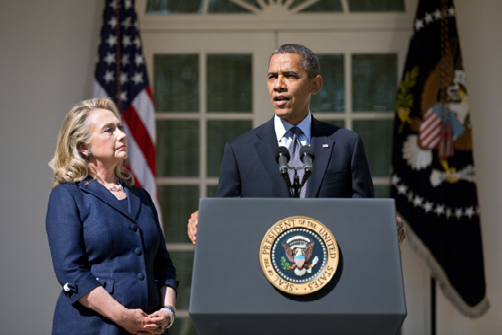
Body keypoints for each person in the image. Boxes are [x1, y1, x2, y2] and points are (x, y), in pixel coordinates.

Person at [187, 44, 405, 244]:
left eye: (289, 76)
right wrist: (205, 219)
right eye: (272, 77)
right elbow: (226, 218)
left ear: (315, 85)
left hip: (330, 276)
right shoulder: (239, 150)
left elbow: (363, 215)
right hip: (262, 277)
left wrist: (383, 223)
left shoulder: (346, 144)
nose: (278, 85)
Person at [46, 98, 177, 335]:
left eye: (120, 127)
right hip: (92, 328)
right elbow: (71, 271)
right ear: (83, 146)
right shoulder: (67, 195)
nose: (122, 135)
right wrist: (122, 316)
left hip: (148, 330)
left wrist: (168, 311)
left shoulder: (141, 197)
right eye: (109, 130)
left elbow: (163, 265)